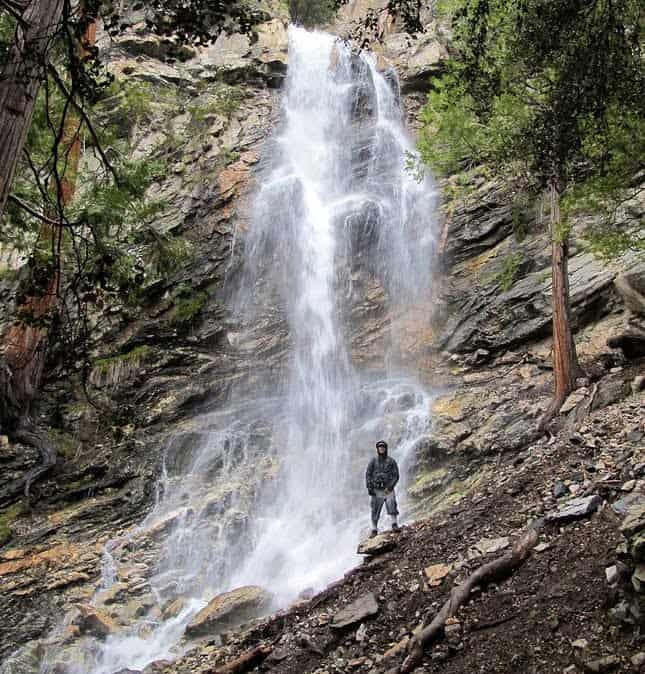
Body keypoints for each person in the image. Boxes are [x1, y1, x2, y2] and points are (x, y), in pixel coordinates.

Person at [365, 440, 399, 537]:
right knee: (375, 509)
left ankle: (394, 524)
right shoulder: (373, 461)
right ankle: (374, 529)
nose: (381, 449)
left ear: (386, 448)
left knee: (392, 504)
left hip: (388, 489)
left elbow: (396, 475)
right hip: (376, 489)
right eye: (379, 447)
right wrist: (369, 487)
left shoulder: (391, 461)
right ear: (377, 449)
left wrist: (390, 487)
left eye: (383, 447)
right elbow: (368, 474)